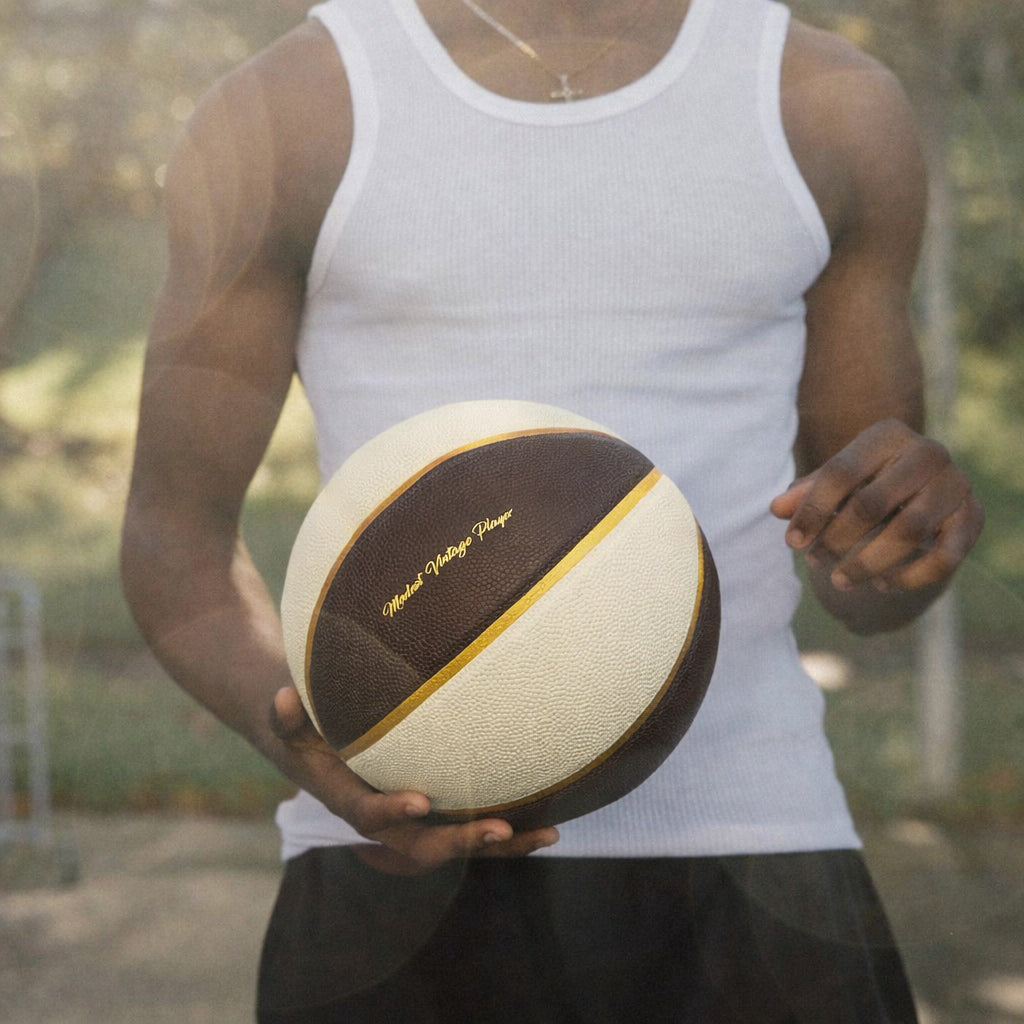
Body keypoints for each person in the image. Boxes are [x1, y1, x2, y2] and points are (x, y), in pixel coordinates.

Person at [121, 0, 985, 1020]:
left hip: (755, 847)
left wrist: (902, 545)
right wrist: (316, 751)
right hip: (391, 868)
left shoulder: (828, 106)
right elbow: (175, 538)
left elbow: (868, 584)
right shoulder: (288, 111)